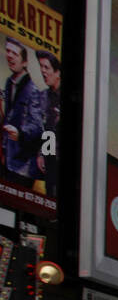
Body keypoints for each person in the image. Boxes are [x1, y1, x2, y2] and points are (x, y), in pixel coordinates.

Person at [2, 38, 44, 186]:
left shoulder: (32, 91)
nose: (10, 55)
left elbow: (38, 127)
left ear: (25, 62)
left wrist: (20, 133)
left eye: (14, 53)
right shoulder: (9, 82)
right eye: (8, 51)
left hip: (23, 167)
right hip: (7, 159)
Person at [34, 50, 58, 198]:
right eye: (41, 67)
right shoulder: (43, 96)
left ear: (58, 73)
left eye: (46, 68)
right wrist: (42, 154)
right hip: (50, 161)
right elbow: (46, 129)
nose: (43, 71)